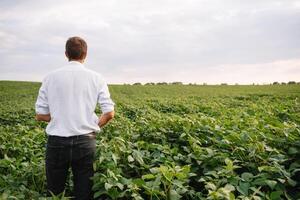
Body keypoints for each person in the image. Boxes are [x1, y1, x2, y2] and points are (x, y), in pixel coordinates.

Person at [35, 36, 115, 199]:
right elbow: (109, 113)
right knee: (84, 191)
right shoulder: (96, 78)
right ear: (85, 54)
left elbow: (40, 115)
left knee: (55, 192)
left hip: (57, 142)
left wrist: (60, 117)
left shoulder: (50, 77)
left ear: (66, 54)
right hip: (85, 142)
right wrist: (94, 124)